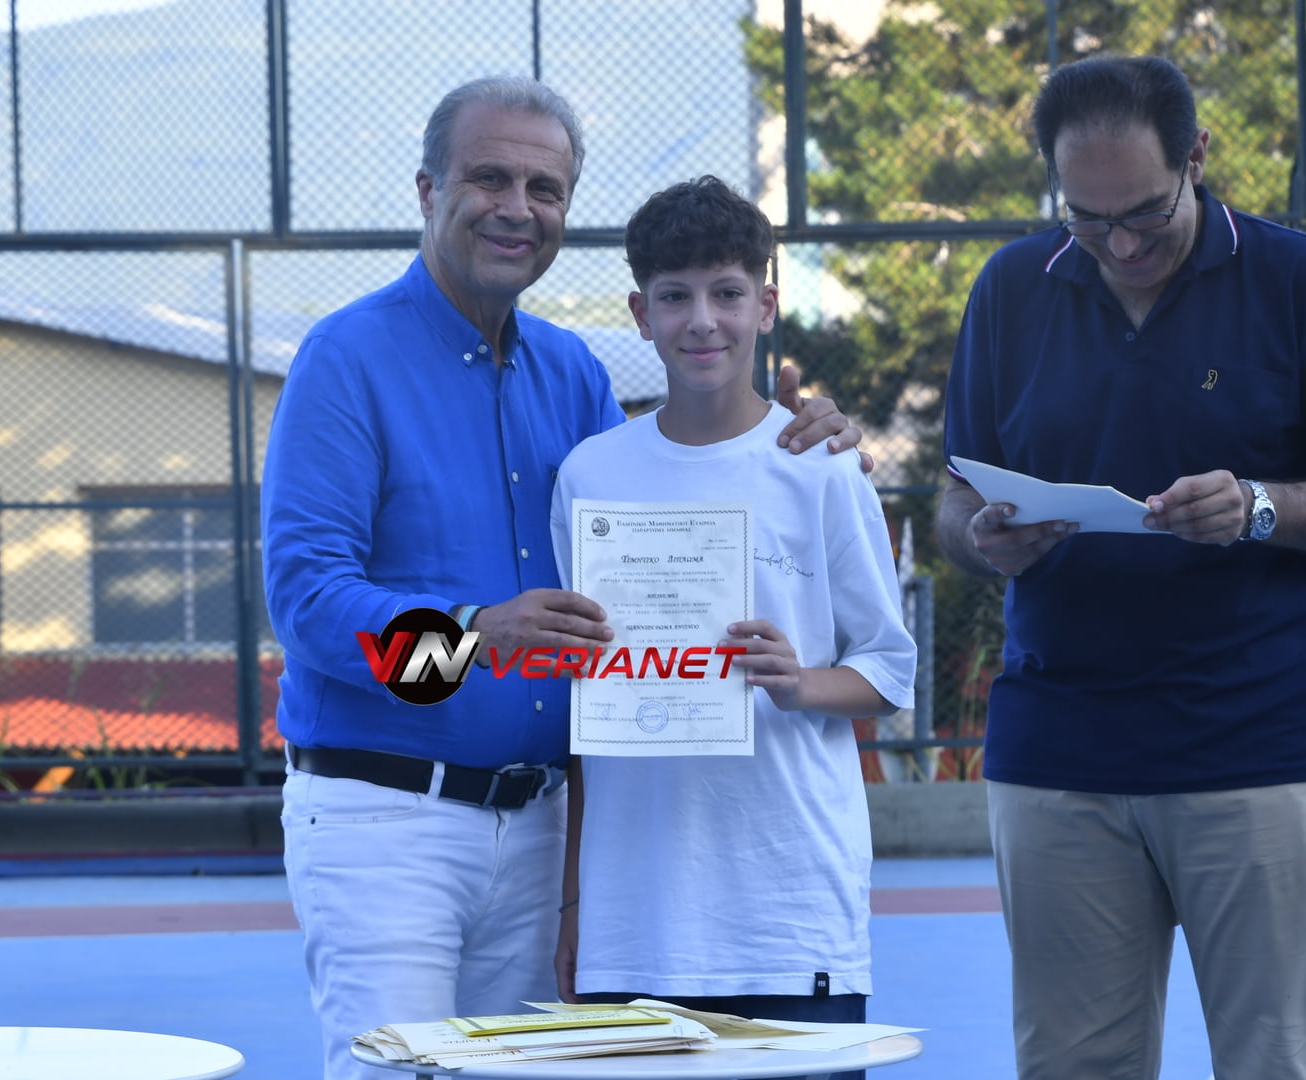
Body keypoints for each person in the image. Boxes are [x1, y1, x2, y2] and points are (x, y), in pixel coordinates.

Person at [260, 76, 866, 1080]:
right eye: (489, 178)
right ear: (428, 191)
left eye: (544, 188)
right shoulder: (345, 359)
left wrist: (796, 434)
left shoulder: (575, 373)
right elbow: (310, 604)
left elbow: (656, 546)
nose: (517, 207)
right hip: (386, 819)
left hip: (543, 831)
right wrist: (469, 638)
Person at [936, 55, 1306, 1080]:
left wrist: (1259, 508)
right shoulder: (1010, 289)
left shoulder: (1299, 279)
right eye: (1088, 220)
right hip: (1059, 753)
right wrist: (984, 540)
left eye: (1144, 214)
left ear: (1196, 158)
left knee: (1280, 1062)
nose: (1121, 244)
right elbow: (953, 503)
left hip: (1264, 749)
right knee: (1070, 1066)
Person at [548, 176, 916, 1080]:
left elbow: (888, 670)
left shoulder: (824, 466)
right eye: (675, 297)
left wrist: (801, 682)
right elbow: (583, 710)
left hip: (790, 918)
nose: (702, 321)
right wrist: (576, 902)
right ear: (641, 313)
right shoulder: (590, 474)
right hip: (635, 924)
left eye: (727, 293)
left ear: (767, 305)